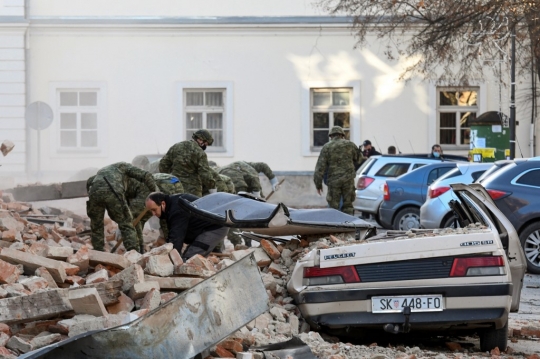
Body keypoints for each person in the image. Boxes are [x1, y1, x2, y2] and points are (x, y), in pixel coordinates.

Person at [86, 162, 158, 252]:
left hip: (94, 191)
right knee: (126, 223)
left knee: (96, 224)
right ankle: (133, 253)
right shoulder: (124, 166)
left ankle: (98, 251)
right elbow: (145, 175)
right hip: (112, 189)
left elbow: (89, 181)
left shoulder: (103, 171)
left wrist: (91, 195)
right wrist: (154, 192)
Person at [145, 192, 229, 260]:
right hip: (203, 227)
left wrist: (170, 260)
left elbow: (177, 237)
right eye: (151, 211)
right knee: (184, 258)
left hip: (215, 226)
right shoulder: (170, 205)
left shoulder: (176, 209)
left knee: (190, 260)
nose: (153, 214)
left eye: (154, 210)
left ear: (162, 204)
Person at [314, 126, 359, 215]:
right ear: (342, 135)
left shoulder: (327, 147)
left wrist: (318, 184)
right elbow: (359, 159)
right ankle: (348, 225)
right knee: (348, 205)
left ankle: (334, 225)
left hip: (334, 181)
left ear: (330, 136)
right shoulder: (351, 145)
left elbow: (320, 167)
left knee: (333, 206)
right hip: (348, 180)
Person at [159, 129, 217, 197]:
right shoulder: (200, 153)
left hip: (175, 186)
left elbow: (163, 165)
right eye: (206, 144)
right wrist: (212, 189)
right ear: (200, 140)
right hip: (193, 190)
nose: (205, 146)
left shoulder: (176, 147)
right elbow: (205, 174)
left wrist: (169, 178)